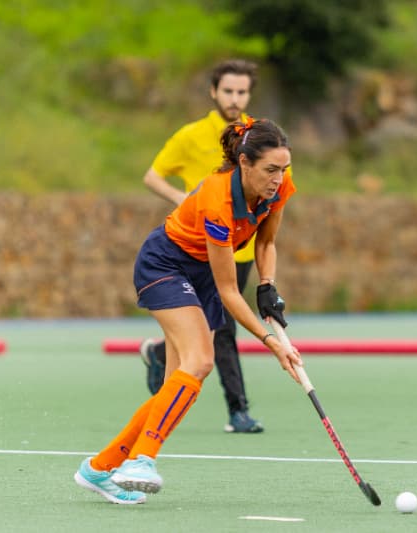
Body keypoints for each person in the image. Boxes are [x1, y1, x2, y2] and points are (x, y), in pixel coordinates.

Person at [74, 117, 301, 505]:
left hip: (203, 274)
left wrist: (267, 284)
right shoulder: (217, 198)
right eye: (270, 170)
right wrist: (271, 343)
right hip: (167, 264)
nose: (278, 178)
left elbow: (266, 242)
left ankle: (99, 467)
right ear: (245, 164)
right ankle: (141, 461)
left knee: (178, 383)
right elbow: (229, 290)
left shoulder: (278, 188)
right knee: (198, 362)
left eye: (283, 169)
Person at [139, 59, 265, 433]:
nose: (234, 98)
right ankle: (237, 411)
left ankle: (158, 354)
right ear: (213, 92)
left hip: (238, 250)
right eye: (228, 91)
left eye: (242, 91)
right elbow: (152, 176)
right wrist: (184, 201)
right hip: (199, 248)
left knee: (217, 326)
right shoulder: (191, 135)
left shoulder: (257, 137)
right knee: (221, 326)